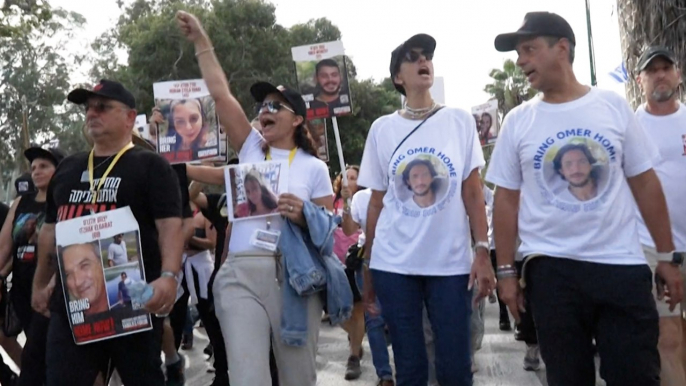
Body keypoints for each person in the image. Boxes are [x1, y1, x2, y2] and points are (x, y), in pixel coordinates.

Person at [487, 12, 683, 386]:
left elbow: (645, 184)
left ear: (562, 49)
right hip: (551, 272)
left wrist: (665, 257)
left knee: (637, 375)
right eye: (518, 53)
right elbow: (507, 200)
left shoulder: (611, 106)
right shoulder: (518, 121)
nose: (520, 60)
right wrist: (507, 273)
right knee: (567, 378)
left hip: (621, 268)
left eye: (529, 49)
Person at [176, 11, 338, 386]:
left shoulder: (314, 168)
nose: (264, 111)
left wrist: (302, 214)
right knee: (248, 379)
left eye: (274, 107)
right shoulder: (250, 147)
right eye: (262, 106)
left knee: (298, 378)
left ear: (297, 119)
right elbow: (220, 92)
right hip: (240, 274)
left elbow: (329, 234)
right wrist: (202, 40)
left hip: (292, 276)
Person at [358, 33, 494, 385]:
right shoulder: (382, 129)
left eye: (428, 56)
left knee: (455, 367)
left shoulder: (459, 121)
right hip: (394, 264)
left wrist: (482, 251)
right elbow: (376, 201)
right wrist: (369, 265)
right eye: (413, 57)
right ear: (397, 77)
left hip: (450, 265)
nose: (424, 62)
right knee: (411, 366)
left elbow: (472, 190)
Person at [31, 79, 184, 386]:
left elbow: (171, 225)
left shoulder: (150, 166)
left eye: (102, 107)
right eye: (88, 108)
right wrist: (41, 283)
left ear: (130, 116)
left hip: (132, 299)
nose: (92, 113)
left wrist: (169, 275)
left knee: (143, 379)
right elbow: (51, 230)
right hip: (74, 303)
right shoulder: (69, 168)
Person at [635, 45, 686, 386]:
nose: (660, 75)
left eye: (666, 68)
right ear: (641, 81)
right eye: (652, 71)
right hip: (652, 248)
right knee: (667, 338)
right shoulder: (630, 127)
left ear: (678, 74)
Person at [0, 146, 65, 386]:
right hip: (21, 291)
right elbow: (5, 247)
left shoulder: (63, 201)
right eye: (34, 167)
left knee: (45, 356)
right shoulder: (21, 202)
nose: (36, 171)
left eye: (44, 166)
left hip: (51, 292)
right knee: (33, 355)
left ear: (59, 170)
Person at [341, 186, 394, 386]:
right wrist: (346, 205)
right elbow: (348, 230)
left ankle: (407, 369)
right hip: (369, 261)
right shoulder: (361, 197)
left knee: (401, 316)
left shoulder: (405, 191)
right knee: (373, 318)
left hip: (400, 261)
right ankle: (385, 375)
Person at [333, 166, 366, 380]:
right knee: (337, 312)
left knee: (357, 311)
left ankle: (354, 355)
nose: (349, 181)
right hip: (334, 262)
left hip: (355, 261)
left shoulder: (362, 201)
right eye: (346, 177)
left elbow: (352, 229)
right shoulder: (332, 200)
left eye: (353, 178)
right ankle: (356, 337)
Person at [60, 242, 109, 316]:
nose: (78, 282)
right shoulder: (64, 321)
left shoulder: (126, 304)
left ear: (101, 264)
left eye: (84, 266)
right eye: (68, 275)